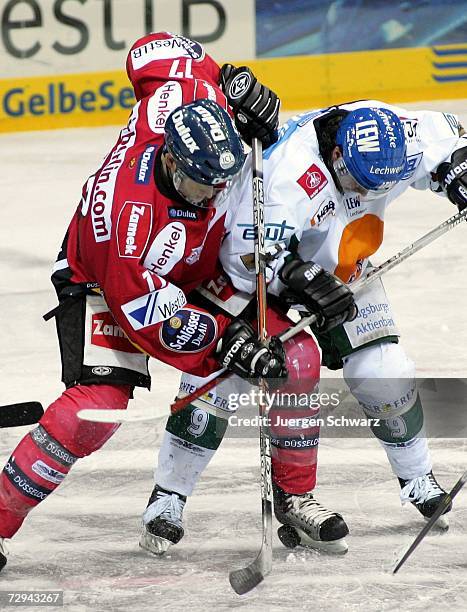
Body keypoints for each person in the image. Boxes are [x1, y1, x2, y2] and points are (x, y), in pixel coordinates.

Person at [0, 31, 287, 572]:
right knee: (96, 409)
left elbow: (150, 50)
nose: (214, 192)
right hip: (103, 279)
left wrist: (232, 81)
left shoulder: (184, 101)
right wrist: (228, 343)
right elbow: (153, 324)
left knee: (284, 341)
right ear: (175, 166)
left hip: (188, 264)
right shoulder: (132, 233)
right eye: (205, 186)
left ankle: (290, 495)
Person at [141, 100, 467, 555]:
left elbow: (445, 137)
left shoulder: (386, 136)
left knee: (384, 370)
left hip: (344, 268)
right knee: (224, 380)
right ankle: (169, 495)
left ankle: (417, 478)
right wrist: (300, 279)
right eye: (359, 183)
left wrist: (458, 171)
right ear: (336, 157)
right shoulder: (290, 178)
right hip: (267, 272)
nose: (370, 194)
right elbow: (243, 259)